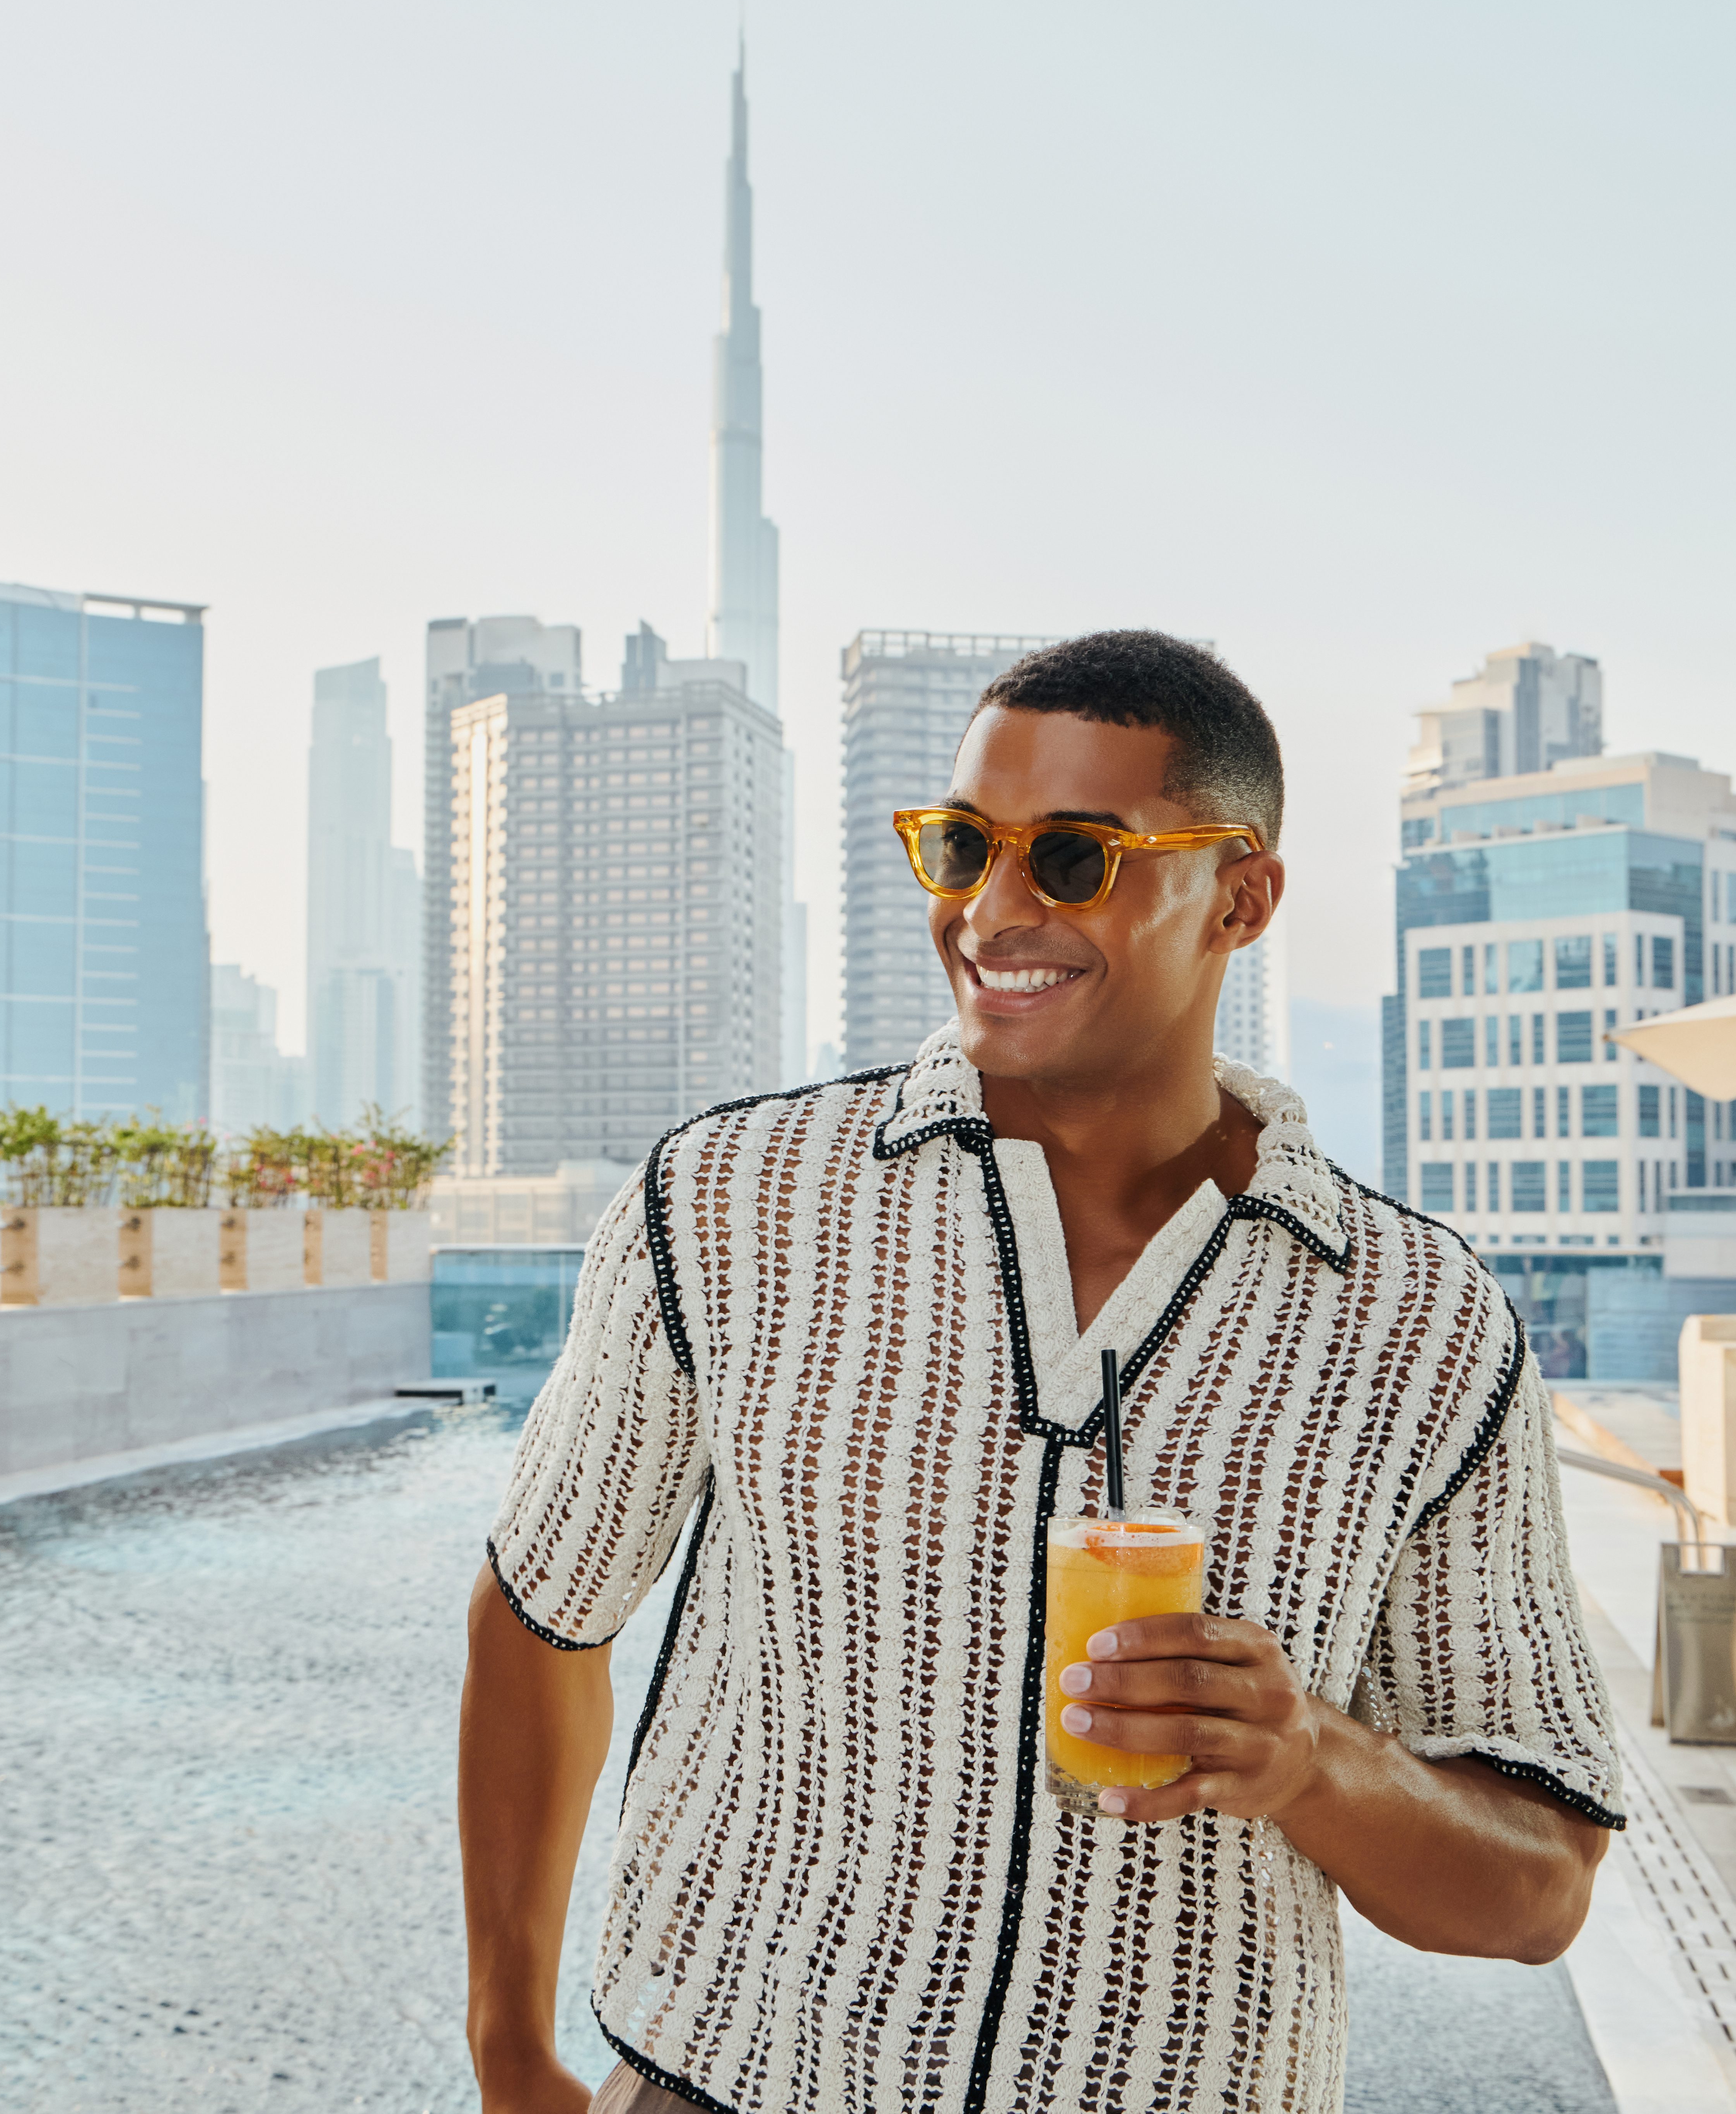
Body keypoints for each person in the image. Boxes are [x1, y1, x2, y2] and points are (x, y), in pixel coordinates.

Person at [459, 631, 1622, 2114]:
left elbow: (1542, 1893)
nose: (989, 909)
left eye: (1074, 858)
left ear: (1242, 896)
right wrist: (510, 2053)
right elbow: (540, 1612)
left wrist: (1314, 1763)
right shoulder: (729, 1203)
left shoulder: (1422, 1324)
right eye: (961, 846)